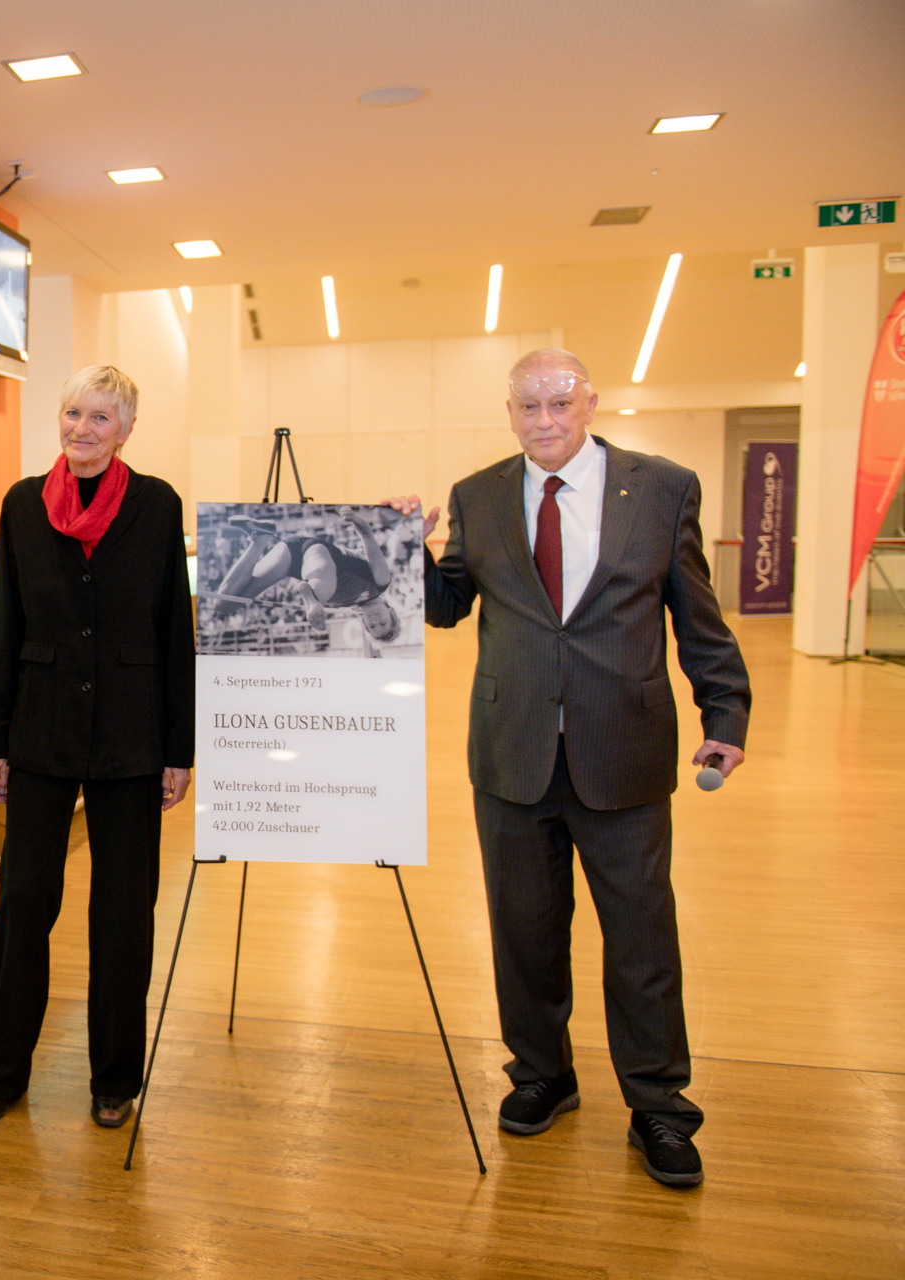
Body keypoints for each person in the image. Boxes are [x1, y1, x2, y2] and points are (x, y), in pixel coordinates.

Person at [390, 348, 749, 1189]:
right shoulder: (480, 495)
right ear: (508, 412)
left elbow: (696, 613)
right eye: (528, 407)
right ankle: (542, 1074)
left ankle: (660, 1105)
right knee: (523, 933)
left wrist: (724, 711)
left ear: (590, 402)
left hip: (621, 752)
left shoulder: (661, 488)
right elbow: (445, 608)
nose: (544, 421)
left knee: (641, 940)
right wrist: (403, 547)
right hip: (511, 754)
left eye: (559, 403)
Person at [0, 365, 194, 1131]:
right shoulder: (23, 504)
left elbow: (175, 634)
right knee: (24, 905)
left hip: (133, 738)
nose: (83, 429)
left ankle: (114, 1080)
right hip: (40, 734)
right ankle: (1, 1074)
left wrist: (180, 747)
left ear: (126, 429)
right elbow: (7, 623)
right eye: (73, 413)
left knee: (124, 913)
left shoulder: (158, 505)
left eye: (102, 417)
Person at [205, 509, 403, 642]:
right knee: (323, 590)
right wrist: (355, 519)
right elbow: (368, 538)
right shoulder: (380, 583)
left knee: (224, 604)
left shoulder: (350, 605)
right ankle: (311, 597)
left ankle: (260, 538)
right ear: (390, 611)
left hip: (293, 558)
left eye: (372, 625)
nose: (375, 620)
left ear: (365, 623)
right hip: (320, 553)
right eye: (383, 622)